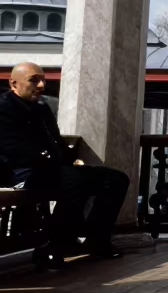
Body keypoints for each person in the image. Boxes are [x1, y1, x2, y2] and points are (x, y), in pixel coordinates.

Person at [0, 61, 129, 269]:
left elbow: (56, 143)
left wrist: (69, 162)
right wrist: (56, 162)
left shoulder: (41, 108)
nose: (41, 85)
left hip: (52, 169)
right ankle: (54, 246)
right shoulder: (4, 108)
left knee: (115, 179)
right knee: (73, 180)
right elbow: (15, 150)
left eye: (43, 80)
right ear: (13, 83)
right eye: (34, 80)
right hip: (23, 173)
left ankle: (96, 239)